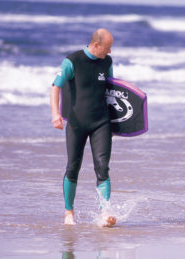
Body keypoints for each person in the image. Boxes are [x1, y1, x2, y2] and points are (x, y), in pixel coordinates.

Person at [50, 28, 116, 227]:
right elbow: (55, 86)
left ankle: (104, 212)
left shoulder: (107, 62)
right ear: (96, 45)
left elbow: (112, 91)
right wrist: (55, 114)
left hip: (101, 122)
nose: (110, 52)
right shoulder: (72, 61)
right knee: (73, 167)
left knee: (102, 168)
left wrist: (118, 122)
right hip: (77, 122)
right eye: (107, 47)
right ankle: (69, 212)